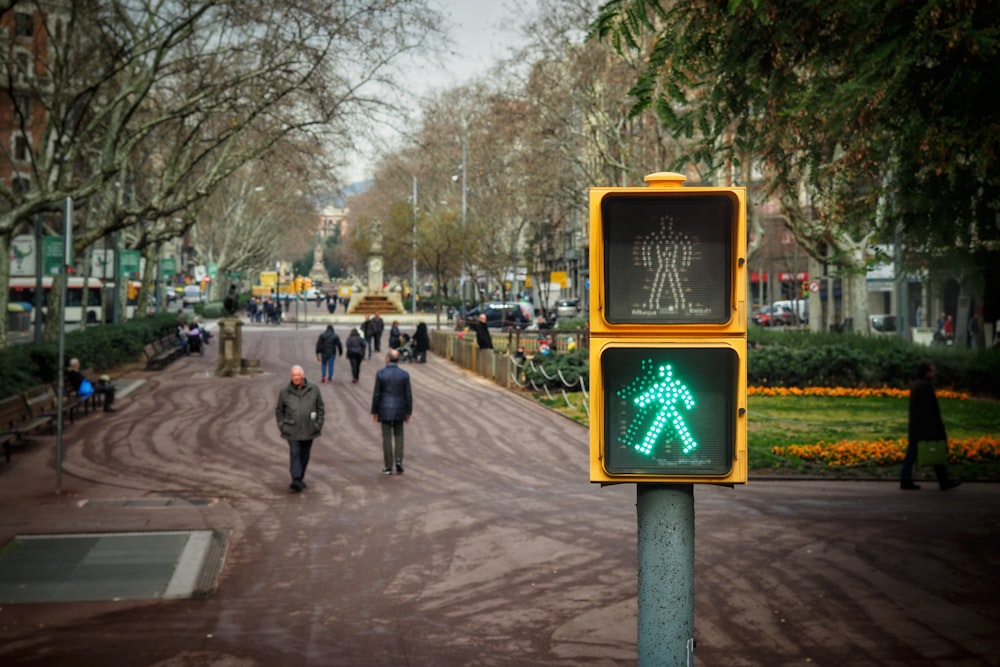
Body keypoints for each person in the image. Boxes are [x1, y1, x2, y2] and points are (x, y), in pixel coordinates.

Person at [901, 361, 961, 491]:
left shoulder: (917, 385)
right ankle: (943, 481)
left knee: (913, 452)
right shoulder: (924, 386)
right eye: (933, 370)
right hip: (926, 427)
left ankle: (906, 479)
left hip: (917, 426)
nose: (935, 372)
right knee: (935, 452)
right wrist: (935, 428)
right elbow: (930, 410)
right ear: (926, 372)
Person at [275, 365, 324, 492]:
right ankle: (296, 478)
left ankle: (300, 478)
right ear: (291, 377)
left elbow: (320, 408)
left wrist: (317, 424)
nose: (296, 378)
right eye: (293, 375)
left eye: (298, 375)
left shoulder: (313, 389)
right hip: (292, 429)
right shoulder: (285, 391)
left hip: (309, 428)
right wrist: (282, 425)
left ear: (303, 376)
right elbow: (279, 410)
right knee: (295, 452)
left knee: (305, 454)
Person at [370, 349, 412, 475]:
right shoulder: (404, 374)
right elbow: (408, 395)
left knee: (386, 437)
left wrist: (374, 411)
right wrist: (409, 412)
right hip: (400, 408)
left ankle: (388, 466)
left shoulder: (381, 373)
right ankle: (398, 460)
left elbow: (377, 394)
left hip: (384, 408)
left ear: (387, 359)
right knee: (399, 435)